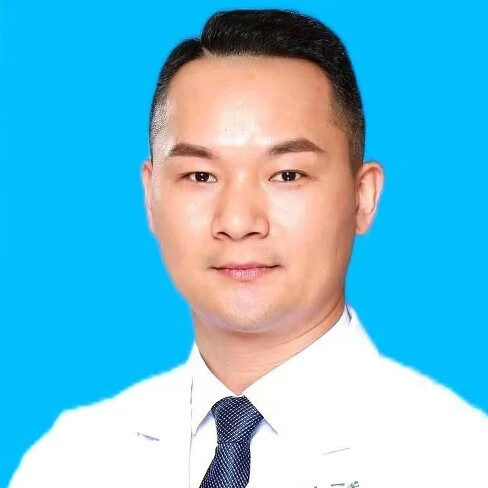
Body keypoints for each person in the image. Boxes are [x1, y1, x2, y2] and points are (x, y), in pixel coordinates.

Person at [9, 8, 488, 488]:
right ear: (150, 197)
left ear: (363, 197)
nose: (238, 223)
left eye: (287, 175)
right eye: (201, 176)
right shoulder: (69, 461)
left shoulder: (460, 459)